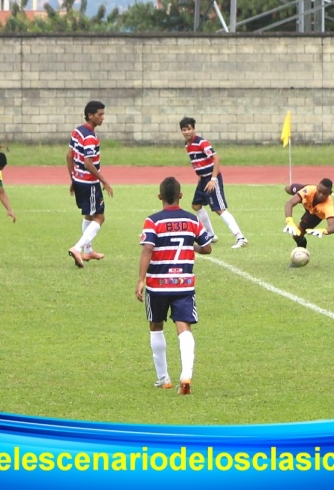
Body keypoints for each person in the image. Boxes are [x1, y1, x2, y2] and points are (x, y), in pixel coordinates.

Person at [135, 177, 213, 395]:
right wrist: (192, 245)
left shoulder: (153, 221)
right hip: (183, 285)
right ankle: (185, 374)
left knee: (156, 325)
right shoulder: (191, 220)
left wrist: (141, 280)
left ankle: (163, 378)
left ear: (160, 197)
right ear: (181, 195)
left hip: (157, 284)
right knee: (184, 327)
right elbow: (207, 248)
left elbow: (147, 249)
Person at [179, 116, 248, 249]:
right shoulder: (187, 145)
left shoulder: (201, 143)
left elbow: (216, 159)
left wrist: (213, 179)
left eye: (189, 129)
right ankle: (210, 234)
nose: (186, 132)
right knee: (196, 205)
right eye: (184, 129)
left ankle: (240, 237)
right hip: (203, 179)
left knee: (219, 209)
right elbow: (197, 161)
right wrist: (200, 176)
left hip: (211, 178)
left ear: (194, 129)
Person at [66, 100, 113, 268]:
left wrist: (72, 178)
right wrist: (104, 180)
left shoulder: (77, 131)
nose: (103, 118)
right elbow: (88, 163)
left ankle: (88, 250)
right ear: (90, 115)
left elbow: (69, 156)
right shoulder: (90, 137)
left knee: (89, 214)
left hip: (78, 180)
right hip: (89, 183)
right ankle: (78, 248)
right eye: (100, 114)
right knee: (100, 216)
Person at [282, 179, 334, 263]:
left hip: (315, 214)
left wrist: (323, 231)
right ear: (317, 188)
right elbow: (289, 204)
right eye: (319, 191)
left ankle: (300, 255)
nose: (321, 195)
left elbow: (333, 227)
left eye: (324, 193)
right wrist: (289, 221)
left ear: (330, 193)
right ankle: (301, 197)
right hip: (307, 198)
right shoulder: (309, 190)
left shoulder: (328, 206)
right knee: (288, 188)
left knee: (297, 235)